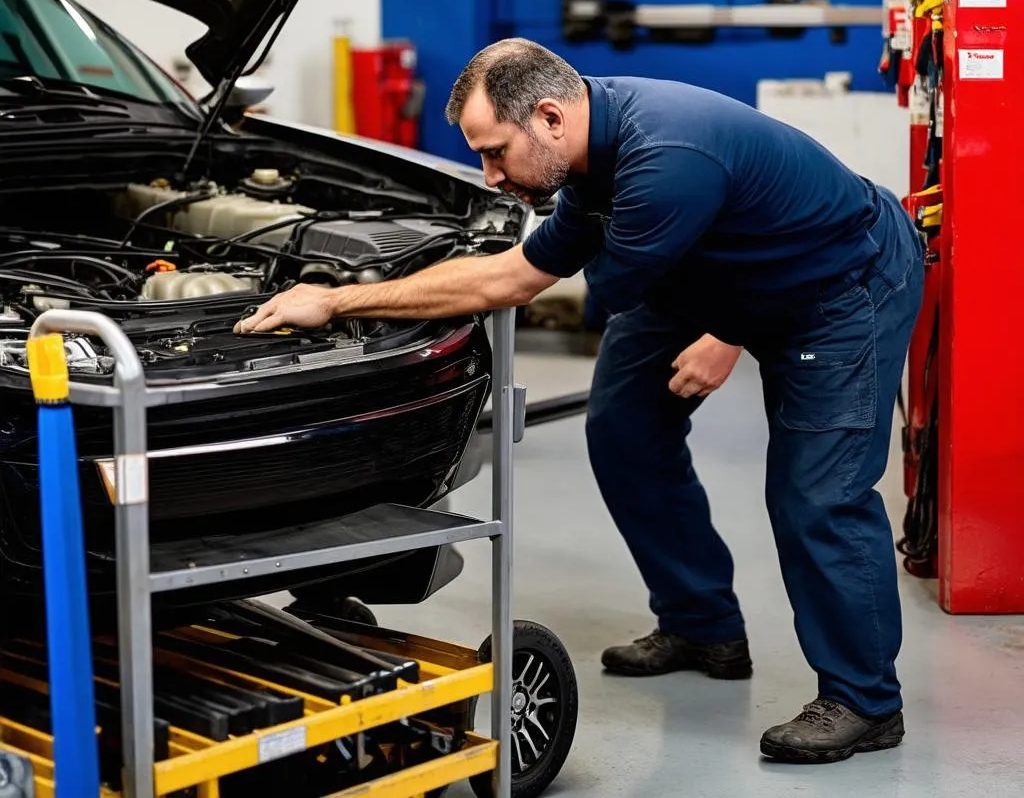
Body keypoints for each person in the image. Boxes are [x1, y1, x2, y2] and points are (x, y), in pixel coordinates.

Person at [235, 38, 924, 764]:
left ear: (551, 117)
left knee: (816, 496)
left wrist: (729, 333)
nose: (491, 176)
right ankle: (702, 624)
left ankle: (864, 700)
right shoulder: (590, 151)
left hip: (839, 289)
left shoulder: (666, 160)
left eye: (497, 153)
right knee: (624, 428)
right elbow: (510, 272)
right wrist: (339, 300)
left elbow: (542, 284)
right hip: (713, 265)